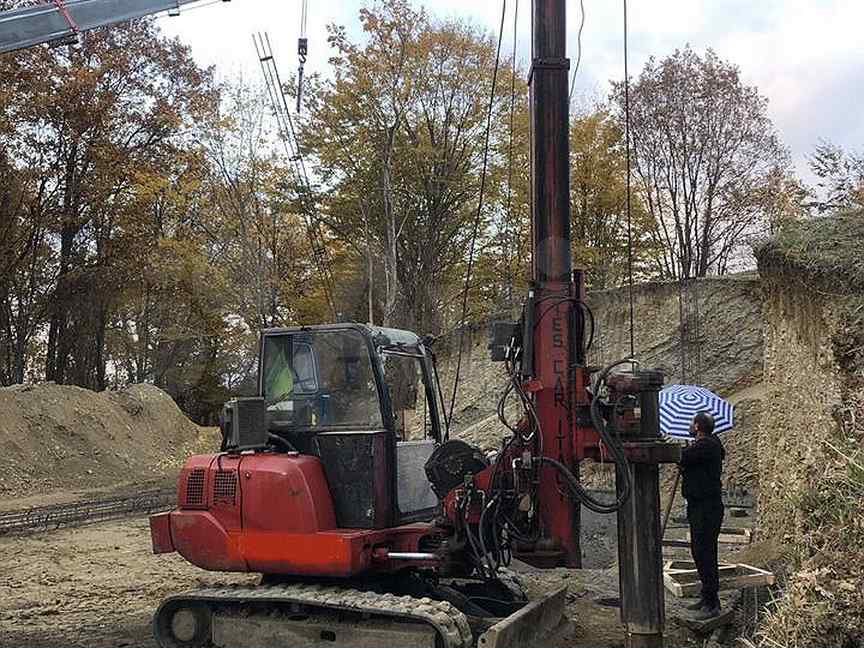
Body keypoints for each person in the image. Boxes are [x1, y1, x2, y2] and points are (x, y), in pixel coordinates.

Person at [680, 411, 726, 620]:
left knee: (704, 552)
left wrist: (682, 453)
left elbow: (683, 456)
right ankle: (707, 596)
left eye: (692, 423)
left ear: (698, 426)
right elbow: (689, 460)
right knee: (700, 552)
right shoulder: (706, 445)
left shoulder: (707, 445)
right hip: (701, 506)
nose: (690, 426)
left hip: (706, 508)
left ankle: (712, 603)